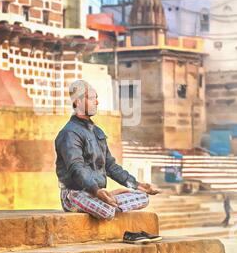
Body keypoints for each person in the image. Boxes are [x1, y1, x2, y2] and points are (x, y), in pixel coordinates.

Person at [55, 80, 162, 244]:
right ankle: (114, 207)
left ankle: (111, 198)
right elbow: (76, 169)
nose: (96, 102)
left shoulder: (97, 132)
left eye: (96, 98)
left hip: (97, 193)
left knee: (143, 197)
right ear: (77, 101)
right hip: (74, 193)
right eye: (91, 98)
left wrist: (138, 185)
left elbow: (111, 166)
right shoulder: (69, 134)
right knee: (107, 211)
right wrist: (97, 191)